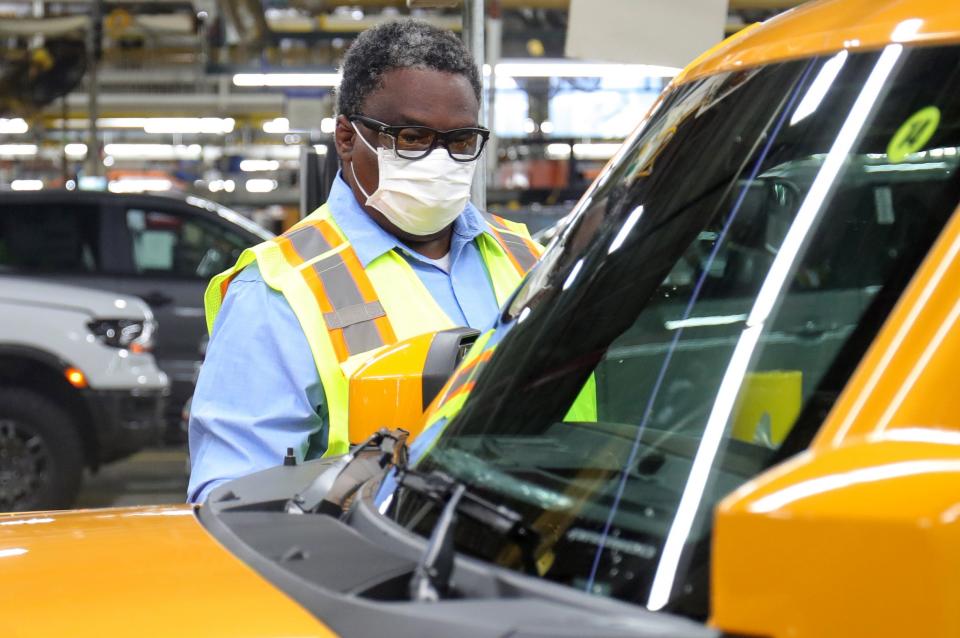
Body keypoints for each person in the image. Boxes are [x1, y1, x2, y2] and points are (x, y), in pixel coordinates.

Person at [187, 20, 541, 502]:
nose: (439, 160)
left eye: (460, 141)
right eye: (411, 138)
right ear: (347, 138)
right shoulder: (280, 291)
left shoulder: (528, 258)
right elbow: (230, 502)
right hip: (373, 566)